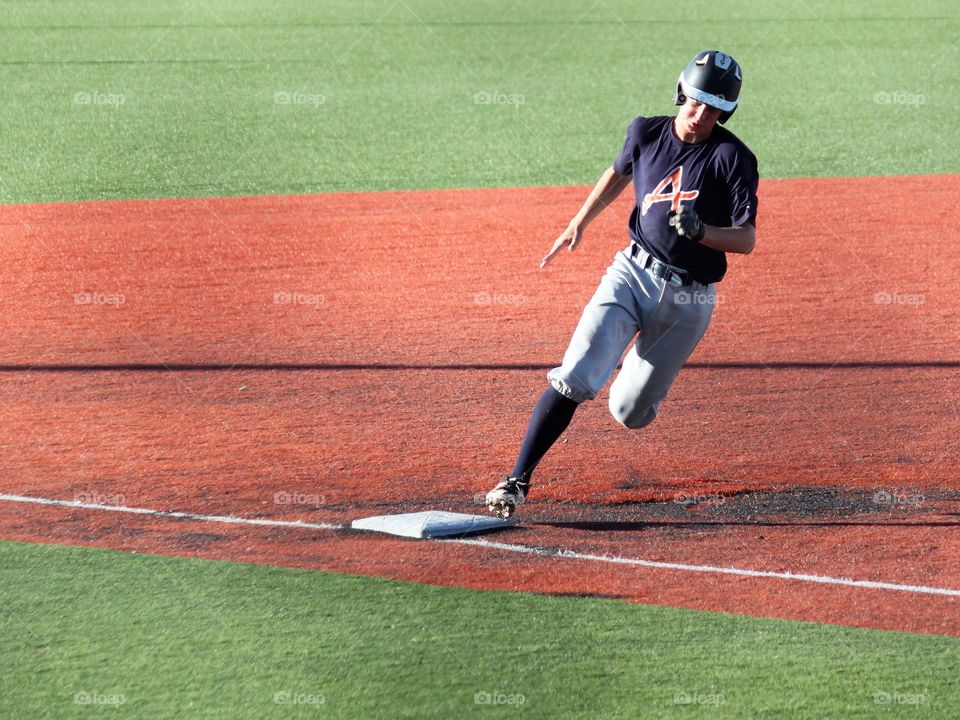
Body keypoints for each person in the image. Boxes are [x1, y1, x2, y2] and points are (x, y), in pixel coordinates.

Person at [485, 49, 759, 519]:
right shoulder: (646, 131)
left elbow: (747, 239)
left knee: (629, 412)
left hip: (690, 300)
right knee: (576, 375)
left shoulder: (733, 158)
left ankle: (643, 376)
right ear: (681, 93)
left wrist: (702, 233)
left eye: (714, 107)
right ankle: (516, 480)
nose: (701, 114)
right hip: (631, 273)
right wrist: (580, 220)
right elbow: (618, 172)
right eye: (695, 101)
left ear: (726, 111)